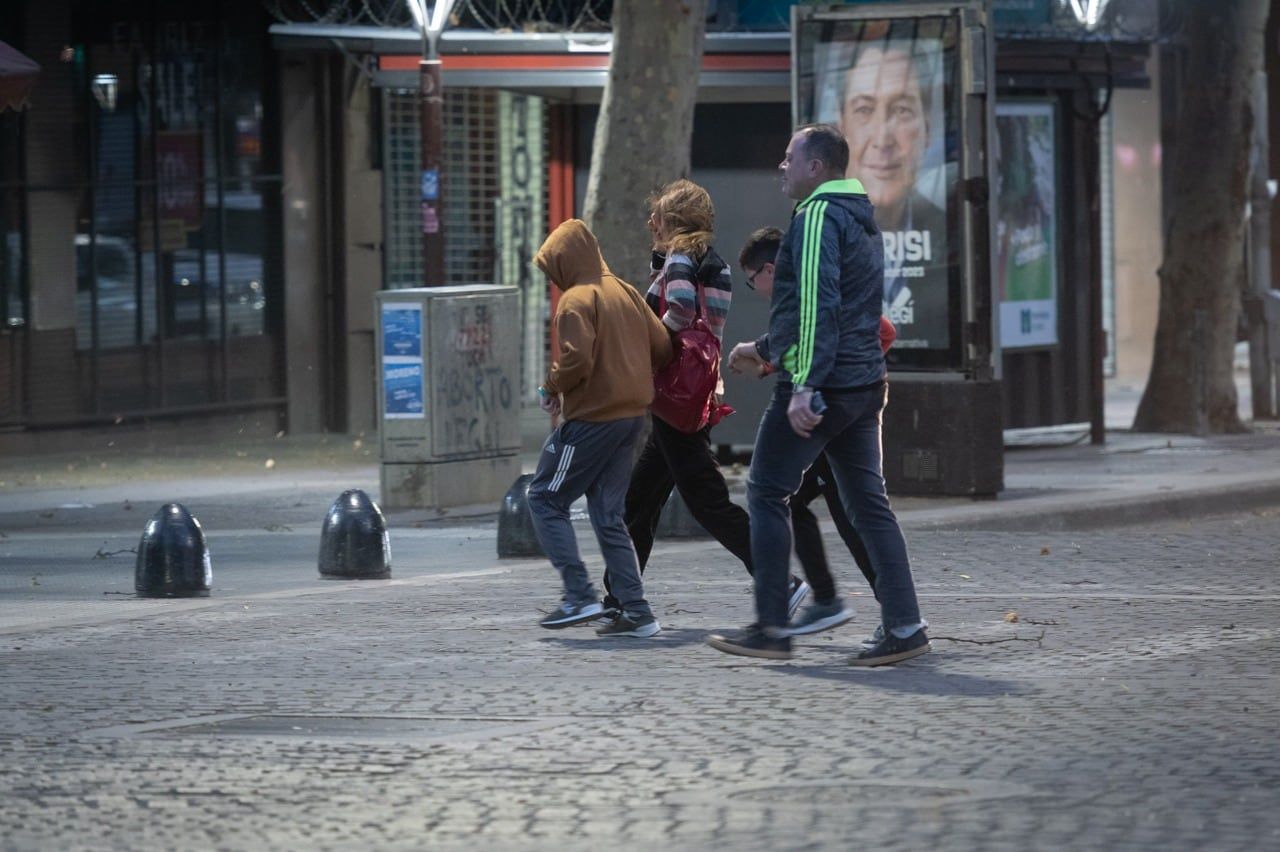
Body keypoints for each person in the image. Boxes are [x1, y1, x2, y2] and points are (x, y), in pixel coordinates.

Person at [708, 124, 929, 666]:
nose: (782, 167)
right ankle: (904, 624)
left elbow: (816, 306)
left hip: (823, 386)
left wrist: (804, 384)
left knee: (764, 492)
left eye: (789, 158)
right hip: (862, 383)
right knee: (868, 505)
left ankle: (771, 629)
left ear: (816, 167)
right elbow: (846, 311)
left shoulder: (817, 217)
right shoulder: (860, 216)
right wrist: (764, 348)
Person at [603, 180, 810, 622]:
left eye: (656, 215)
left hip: (678, 396)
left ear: (673, 221)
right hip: (691, 393)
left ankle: (779, 580)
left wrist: (645, 342)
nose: (649, 222)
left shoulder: (681, 257)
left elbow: (677, 309)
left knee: (707, 502)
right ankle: (621, 598)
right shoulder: (707, 260)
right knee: (640, 501)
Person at [737, 226, 897, 640]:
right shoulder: (801, 289)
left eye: (752, 280)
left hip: (831, 413)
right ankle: (835, 600)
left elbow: (883, 332)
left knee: (852, 515)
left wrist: (842, 377)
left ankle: (886, 611)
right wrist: (772, 363)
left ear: (768, 270)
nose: (755, 289)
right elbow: (809, 340)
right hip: (826, 411)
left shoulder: (812, 284)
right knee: (802, 504)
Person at [528, 219, 673, 638]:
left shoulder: (576, 300)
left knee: (544, 498)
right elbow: (662, 345)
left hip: (593, 418)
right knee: (609, 516)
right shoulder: (626, 292)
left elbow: (577, 360)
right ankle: (637, 610)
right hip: (631, 418)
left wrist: (551, 386)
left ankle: (579, 594)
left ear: (564, 263)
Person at [835, 40, 947, 345]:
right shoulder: (816, 235)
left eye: (901, 110)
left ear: (926, 127)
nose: (882, 139)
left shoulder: (954, 239)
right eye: (864, 110)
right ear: (841, 126)